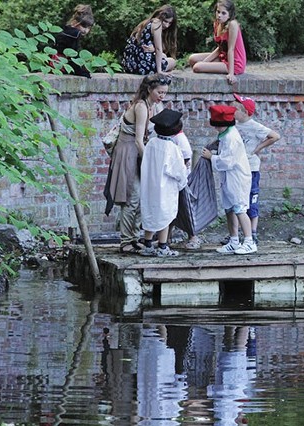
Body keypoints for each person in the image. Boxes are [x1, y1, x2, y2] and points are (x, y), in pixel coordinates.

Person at [107, 73, 169, 254]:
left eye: (165, 93)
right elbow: (138, 140)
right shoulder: (141, 107)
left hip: (139, 153)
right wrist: (149, 163)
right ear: (149, 90)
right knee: (131, 198)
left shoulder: (154, 105)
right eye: (159, 92)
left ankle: (135, 238)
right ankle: (126, 241)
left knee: (141, 197)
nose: (162, 96)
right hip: (128, 152)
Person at [202, 105, 256, 255]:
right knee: (229, 208)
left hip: (237, 177)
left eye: (218, 126)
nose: (216, 129)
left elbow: (228, 161)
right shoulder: (225, 134)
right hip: (228, 177)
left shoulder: (232, 137)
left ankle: (249, 241)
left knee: (240, 208)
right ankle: (234, 241)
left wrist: (211, 157)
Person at [228, 94, 280, 245]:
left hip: (251, 168)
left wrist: (257, 148)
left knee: (251, 199)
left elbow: (275, 136)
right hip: (237, 167)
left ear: (245, 112)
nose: (232, 110)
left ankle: (253, 232)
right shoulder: (233, 125)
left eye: (235, 108)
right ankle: (236, 234)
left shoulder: (255, 126)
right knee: (237, 200)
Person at [139, 109, 188, 257]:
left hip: (149, 184)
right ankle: (162, 246)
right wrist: (183, 182)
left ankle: (147, 243)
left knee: (150, 212)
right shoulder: (172, 148)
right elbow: (178, 171)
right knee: (164, 215)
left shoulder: (152, 143)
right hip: (165, 187)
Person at [188, 0, 246, 84]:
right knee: (192, 59)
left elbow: (231, 49)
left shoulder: (233, 24)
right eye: (218, 12)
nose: (219, 15)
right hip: (223, 56)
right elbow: (220, 48)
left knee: (197, 67)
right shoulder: (217, 23)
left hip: (234, 63)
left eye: (223, 13)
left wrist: (231, 73)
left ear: (229, 14)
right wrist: (205, 61)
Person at [122, 4, 178, 75]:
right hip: (141, 66)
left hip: (129, 64)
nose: (166, 25)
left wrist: (153, 49)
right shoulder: (157, 23)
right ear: (160, 17)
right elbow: (158, 49)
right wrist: (159, 71)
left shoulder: (147, 23)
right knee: (172, 62)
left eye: (169, 23)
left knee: (164, 56)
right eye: (165, 21)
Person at [52, 4, 95, 78]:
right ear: (76, 23)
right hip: (61, 64)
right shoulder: (75, 33)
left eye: (88, 28)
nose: (85, 30)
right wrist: (80, 72)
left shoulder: (67, 28)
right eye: (83, 26)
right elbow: (72, 55)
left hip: (54, 61)